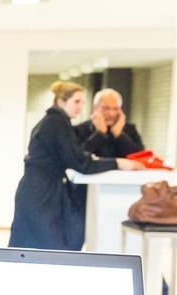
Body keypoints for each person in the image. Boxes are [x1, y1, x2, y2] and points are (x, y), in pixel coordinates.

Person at [9, 80, 144, 250]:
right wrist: (118, 163)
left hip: (44, 190)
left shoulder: (56, 122)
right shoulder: (56, 123)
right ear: (61, 101)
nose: (80, 107)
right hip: (41, 192)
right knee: (43, 246)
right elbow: (80, 162)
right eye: (76, 101)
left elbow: (77, 158)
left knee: (45, 245)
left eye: (82, 102)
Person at [74, 88, 144, 158]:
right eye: (106, 108)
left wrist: (119, 135)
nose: (111, 113)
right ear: (95, 108)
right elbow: (76, 157)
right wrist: (99, 134)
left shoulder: (130, 129)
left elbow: (141, 157)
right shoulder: (80, 130)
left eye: (115, 108)